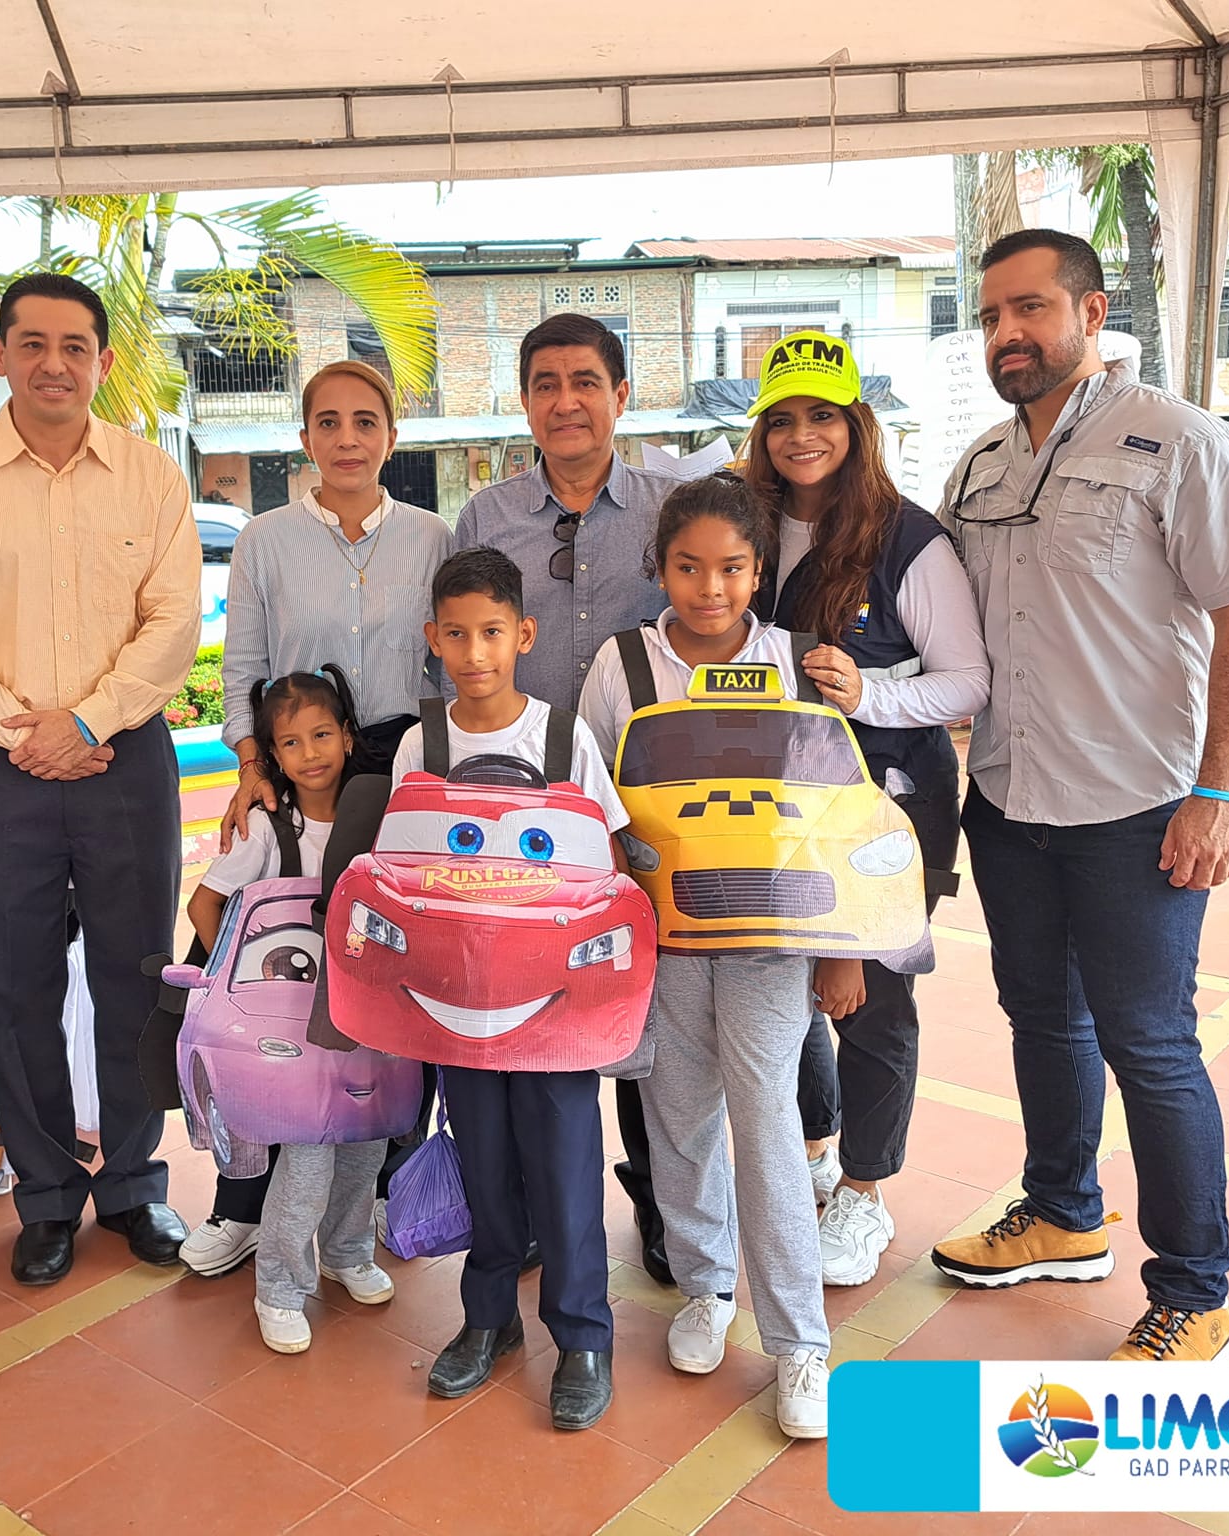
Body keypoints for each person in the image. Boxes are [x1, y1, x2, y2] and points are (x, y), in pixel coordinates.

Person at [928, 230, 1229, 1363]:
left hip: (1137, 805)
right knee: (1040, 1018)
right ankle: (1061, 1212)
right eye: (991, 316)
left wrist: (1219, 790)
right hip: (1007, 799)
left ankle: (1194, 1291)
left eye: (1029, 308)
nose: (1007, 334)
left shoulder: (1178, 442)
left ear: (1090, 312)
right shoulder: (978, 466)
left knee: (1150, 1043)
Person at [0, 272, 200, 1285]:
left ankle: (132, 1183)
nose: (53, 364)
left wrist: (87, 722)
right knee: (13, 981)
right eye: (32, 344)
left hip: (124, 759)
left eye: (75, 346)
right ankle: (44, 1195)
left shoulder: (150, 475)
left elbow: (173, 622)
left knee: (134, 975)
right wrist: (23, 736)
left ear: (103, 363)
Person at [578, 473, 833, 1438]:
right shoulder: (622, 666)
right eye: (689, 568)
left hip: (770, 939)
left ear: (759, 571)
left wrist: (841, 953)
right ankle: (705, 1288)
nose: (710, 589)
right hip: (665, 939)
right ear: (661, 570)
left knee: (767, 1122)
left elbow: (830, 813)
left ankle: (800, 1342)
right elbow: (594, 804)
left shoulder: (796, 662)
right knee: (678, 1117)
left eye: (731, 569)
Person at [185, 359, 450, 1278]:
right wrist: (254, 766)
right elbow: (241, 670)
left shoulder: (431, 536)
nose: (347, 438)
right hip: (304, 770)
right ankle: (242, 1205)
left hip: (401, 773)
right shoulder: (264, 540)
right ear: (304, 438)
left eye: (365, 421)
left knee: (391, 976)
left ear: (391, 436)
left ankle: (376, 1190)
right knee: (278, 983)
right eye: (328, 422)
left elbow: (447, 667)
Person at [739, 333, 991, 1288]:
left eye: (823, 415)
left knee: (874, 997)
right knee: (787, 983)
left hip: (887, 807)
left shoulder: (907, 539)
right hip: (771, 802)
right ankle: (814, 1148)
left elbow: (969, 680)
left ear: (857, 424)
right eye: (783, 419)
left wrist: (869, 693)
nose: (802, 436)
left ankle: (866, 1188)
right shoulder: (749, 527)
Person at [451, 312, 679, 1285]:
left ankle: (663, 1204)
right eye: (545, 383)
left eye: (585, 381)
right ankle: (532, 1216)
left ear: (620, 395)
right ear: (524, 401)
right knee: (525, 1008)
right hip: (522, 817)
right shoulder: (485, 516)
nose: (565, 401)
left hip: (651, 801)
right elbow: (457, 648)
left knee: (641, 1003)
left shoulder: (670, 508)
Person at [396, 546, 626, 1431]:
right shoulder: (423, 742)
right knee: (484, 1163)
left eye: (491, 632)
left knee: (564, 1171)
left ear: (523, 635)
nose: (474, 652)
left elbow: (606, 864)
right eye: (456, 635)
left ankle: (583, 1338)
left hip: (553, 1008)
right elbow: (403, 868)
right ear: (433, 639)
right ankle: (488, 1320)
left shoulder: (563, 738)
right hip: (458, 1003)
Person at [189, 667, 398, 1353]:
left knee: (364, 1146)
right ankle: (279, 1287)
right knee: (307, 1159)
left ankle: (346, 1252)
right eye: (290, 742)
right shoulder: (266, 829)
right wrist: (237, 984)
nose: (310, 753)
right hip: (294, 1031)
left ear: (348, 736)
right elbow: (205, 905)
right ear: (272, 755)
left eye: (322, 735)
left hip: (367, 1019)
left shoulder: (381, 819)